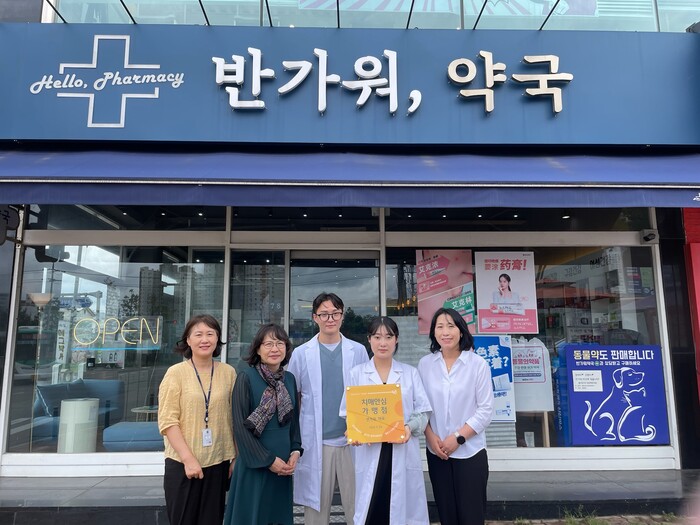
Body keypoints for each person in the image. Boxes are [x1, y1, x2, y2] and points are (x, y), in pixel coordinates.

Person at [287, 292, 370, 525]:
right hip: (317, 441)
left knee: (357, 506)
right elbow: (293, 397)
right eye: (324, 314)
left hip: (352, 441)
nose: (330, 319)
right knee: (316, 509)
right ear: (315, 318)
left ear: (342, 316)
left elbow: (366, 394)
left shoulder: (358, 351)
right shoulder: (301, 354)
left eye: (335, 313)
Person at [341, 316, 432, 525]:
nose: (383, 343)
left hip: (401, 449)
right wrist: (353, 431)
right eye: (377, 337)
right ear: (369, 339)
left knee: (402, 511)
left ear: (396, 339)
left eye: (388, 337)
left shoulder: (410, 373)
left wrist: (408, 428)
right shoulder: (357, 374)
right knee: (373, 508)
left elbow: (423, 411)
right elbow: (348, 412)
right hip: (370, 450)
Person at [417, 307, 494, 525]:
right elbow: (420, 407)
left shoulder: (477, 365)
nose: (445, 332)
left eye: (451, 326)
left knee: (472, 516)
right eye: (440, 327)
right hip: (437, 453)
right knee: (447, 515)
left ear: (461, 331)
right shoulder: (425, 365)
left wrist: (458, 438)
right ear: (433, 332)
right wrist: (431, 437)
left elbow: (486, 410)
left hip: (470, 452)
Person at [158, 314, 237, 525]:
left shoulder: (228, 373)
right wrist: (188, 459)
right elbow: (168, 421)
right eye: (198, 334)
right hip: (182, 464)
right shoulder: (175, 373)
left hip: (218, 462)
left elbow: (235, 418)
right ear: (188, 340)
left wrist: (236, 457)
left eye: (210, 334)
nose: (205, 339)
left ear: (217, 338)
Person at [224, 323, 303, 525]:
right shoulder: (246, 378)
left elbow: (293, 422)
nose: (274, 349)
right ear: (258, 349)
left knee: (276, 518)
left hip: (282, 468)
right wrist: (268, 461)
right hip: (255, 466)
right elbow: (240, 428)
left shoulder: (289, 379)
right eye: (268, 344)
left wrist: (295, 450)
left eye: (279, 343)